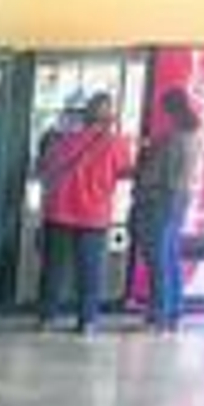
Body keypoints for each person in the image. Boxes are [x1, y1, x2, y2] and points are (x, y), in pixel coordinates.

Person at [33, 91, 136, 334]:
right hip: (94, 216)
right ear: (110, 116)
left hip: (59, 212)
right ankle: (87, 320)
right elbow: (126, 172)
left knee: (54, 270)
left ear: (85, 115)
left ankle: (46, 318)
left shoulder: (64, 140)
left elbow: (45, 166)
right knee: (90, 272)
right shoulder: (117, 143)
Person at [130, 87, 202, 333]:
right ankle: (174, 311)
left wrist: (144, 160)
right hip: (180, 200)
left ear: (170, 110)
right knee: (170, 257)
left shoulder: (173, 139)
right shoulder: (194, 136)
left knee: (158, 259)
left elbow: (156, 174)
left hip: (161, 200)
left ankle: (159, 314)